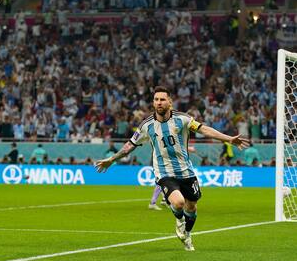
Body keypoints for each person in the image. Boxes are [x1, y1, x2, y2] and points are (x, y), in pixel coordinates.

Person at [94, 86, 250, 251]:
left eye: (162, 99)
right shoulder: (146, 125)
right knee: (179, 202)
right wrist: (111, 159)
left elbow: (204, 129)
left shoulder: (183, 119)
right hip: (164, 172)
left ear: (170, 102)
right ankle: (178, 219)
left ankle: (187, 233)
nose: (159, 102)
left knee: (192, 207)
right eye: (156, 100)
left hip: (186, 170)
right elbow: (130, 145)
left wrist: (228, 139)